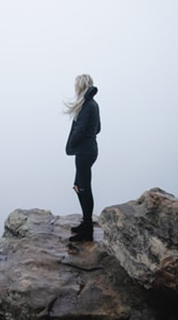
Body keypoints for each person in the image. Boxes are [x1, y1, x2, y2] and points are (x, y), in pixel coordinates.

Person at [65, 74, 101, 242]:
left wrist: (72, 143)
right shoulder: (92, 104)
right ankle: (86, 223)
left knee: (84, 188)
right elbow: (98, 128)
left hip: (84, 152)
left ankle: (87, 229)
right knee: (79, 186)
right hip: (89, 150)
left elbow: (80, 130)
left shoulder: (87, 105)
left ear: (80, 86)